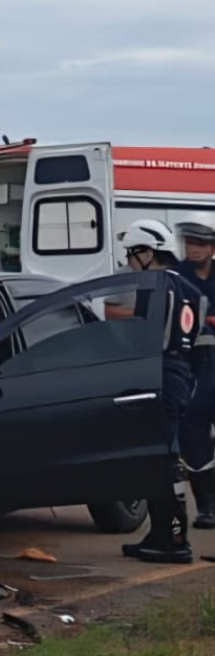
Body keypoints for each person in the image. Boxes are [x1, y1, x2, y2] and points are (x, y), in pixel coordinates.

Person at [118, 220, 204, 566]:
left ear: (148, 252)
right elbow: (194, 335)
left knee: (164, 461)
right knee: (159, 459)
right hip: (179, 372)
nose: (128, 260)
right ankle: (159, 535)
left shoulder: (154, 286)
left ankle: (174, 540)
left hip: (159, 374)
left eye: (131, 253)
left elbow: (139, 333)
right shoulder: (189, 288)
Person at [175, 218, 215, 529]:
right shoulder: (176, 276)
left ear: (212, 248)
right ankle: (207, 507)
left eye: (199, 244)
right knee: (194, 433)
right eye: (189, 242)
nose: (192, 248)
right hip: (193, 364)